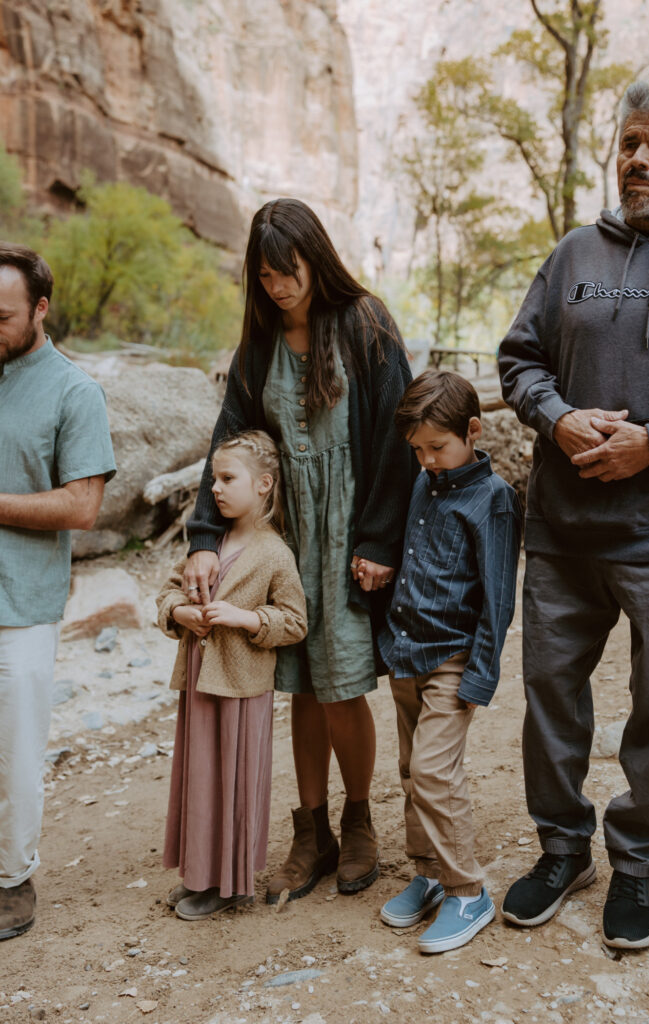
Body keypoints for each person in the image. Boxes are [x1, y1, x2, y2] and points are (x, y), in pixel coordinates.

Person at [183, 198, 415, 902]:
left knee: (342, 684)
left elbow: (397, 436)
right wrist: (202, 538)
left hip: (349, 541)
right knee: (302, 690)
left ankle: (359, 820)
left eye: (289, 271)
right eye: (265, 274)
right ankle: (311, 831)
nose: (279, 286)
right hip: (284, 547)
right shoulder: (257, 346)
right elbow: (229, 446)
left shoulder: (365, 323)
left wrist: (379, 539)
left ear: (315, 259)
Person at [498, 77, 649, 950]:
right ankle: (562, 848)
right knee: (550, 702)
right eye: (629, 144)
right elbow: (518, 359)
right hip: (563, 532)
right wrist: (556, 416)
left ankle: (638, 862)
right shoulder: (573, 253)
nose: (637, 161)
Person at [377, 369, 521, 954]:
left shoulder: (494, 500)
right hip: (407, 653)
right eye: (418, 450)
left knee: (436, 772)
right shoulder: (422, 484)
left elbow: (499, 596)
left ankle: (468, 890)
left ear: (473, 431)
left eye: (438, 447)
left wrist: (481, 673)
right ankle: (430, 872)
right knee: (413, 771)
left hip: (454, 659)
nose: (427, 459)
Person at [0, 243, 116, 941]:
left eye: (3, 315)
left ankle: (12, 881)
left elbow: (81, 507)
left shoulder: (76, 392)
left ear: (41, 310)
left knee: (15, 753)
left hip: (21, 607)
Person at [157, 431, 307, 919]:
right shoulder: (208, 542)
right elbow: (168, 591)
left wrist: (246, 619)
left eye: (227, 479)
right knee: (199, 777)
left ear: (264, 484)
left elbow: (295, 621)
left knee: (233, 781)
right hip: (199, 678)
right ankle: (200, 873)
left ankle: (230, 882)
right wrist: (179, 613)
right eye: (213, 479)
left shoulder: (274, 552)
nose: (215, 489)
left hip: (243, 686)